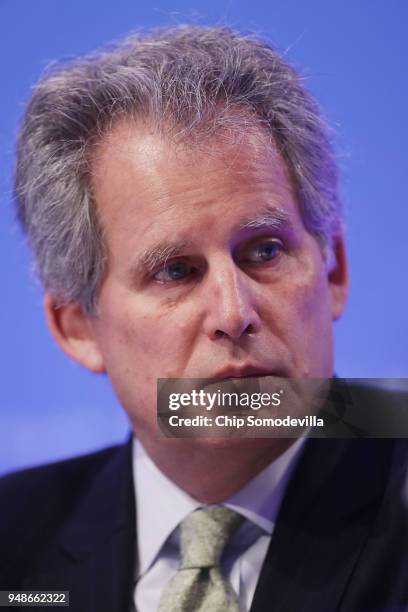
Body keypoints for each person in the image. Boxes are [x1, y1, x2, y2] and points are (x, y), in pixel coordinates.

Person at [1, 25, 407, 612]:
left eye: (264, 250)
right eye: (176, 271)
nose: (234, 312)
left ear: (334, 270)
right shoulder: (13, 545)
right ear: (78, 328)